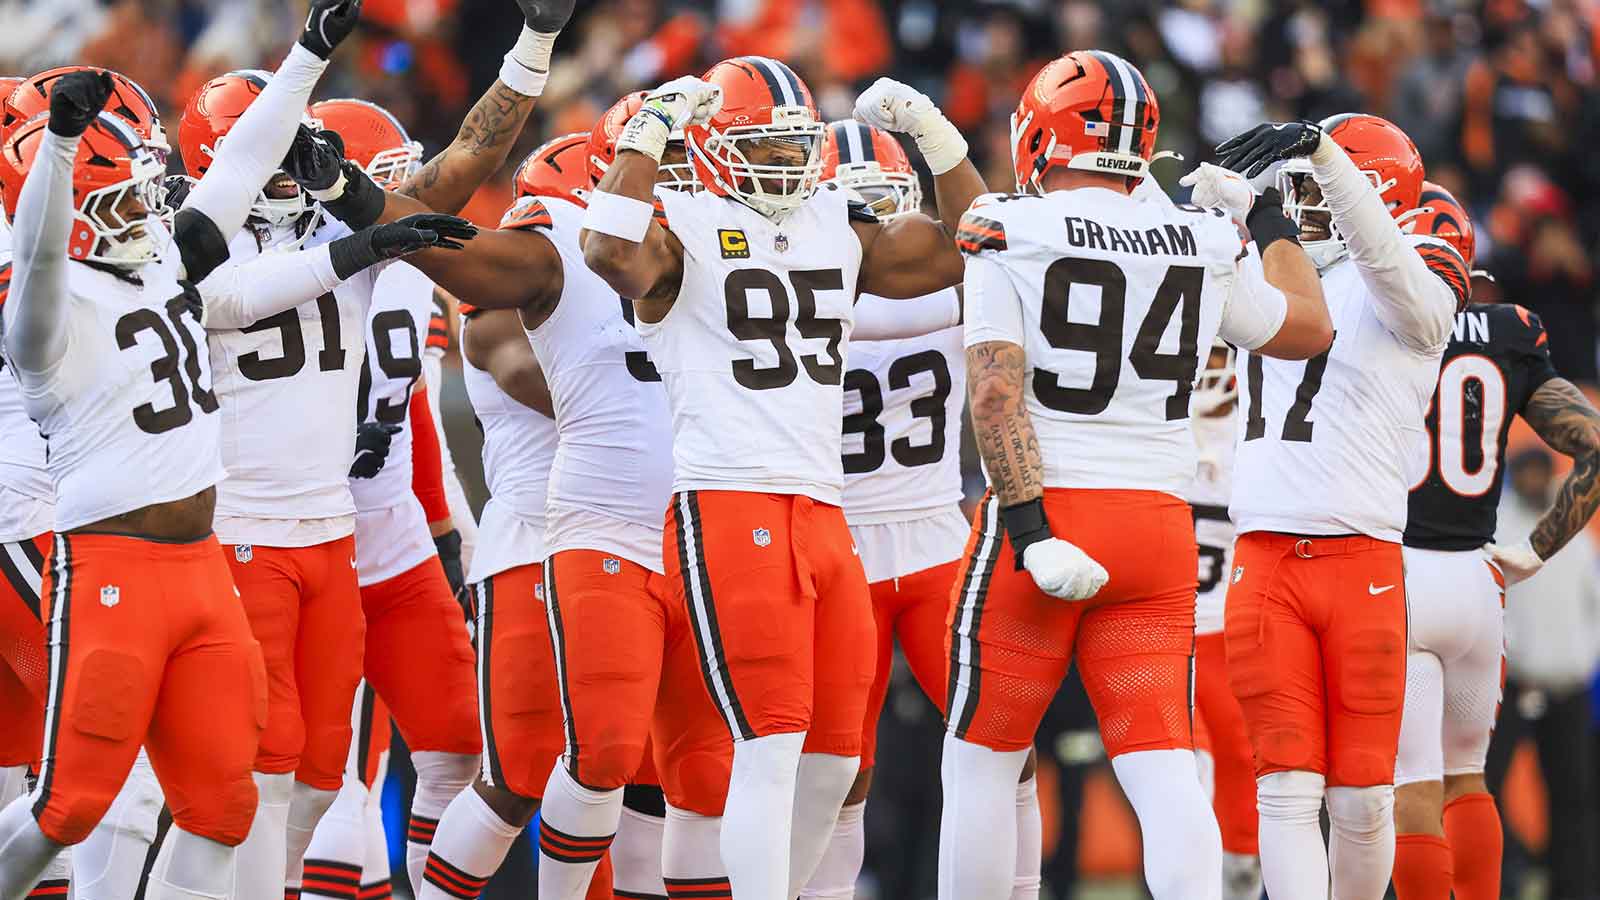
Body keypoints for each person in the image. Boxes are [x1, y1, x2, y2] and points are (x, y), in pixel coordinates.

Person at [185, 0, 576, 890]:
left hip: (372, 531)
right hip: (260, 525)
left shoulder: (368, 236)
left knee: (386, 760)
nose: (297, 178)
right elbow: (246, 293)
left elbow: (474, 158)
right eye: (383, 172)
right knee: (283, 768)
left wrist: (532, 45)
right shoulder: (205, 252)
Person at [579, 58, 988, 899]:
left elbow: (963, 248)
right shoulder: (678, 219)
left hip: (823, 509)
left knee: (836, 761)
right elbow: (608, 249)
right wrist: (653, 127)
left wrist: (938, 138)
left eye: (797, 147)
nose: (787, 165)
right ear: (717, 146)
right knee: (769, 747)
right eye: (764, 146)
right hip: (729, 500)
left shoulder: (833, 218)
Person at [945, 49, 1330, 900]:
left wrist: (1030, 530)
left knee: (980, 763)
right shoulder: (1201, 238)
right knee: (1163, 767)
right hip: (1160, 523)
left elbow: (997, 394)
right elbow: (1305, 330)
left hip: (1048, 510)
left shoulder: (1008, 224)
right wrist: (1264, 220)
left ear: (1045, 131)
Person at [0, 5, 365, 892]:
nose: (147, 205)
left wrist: (310, 51)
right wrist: (57, 145)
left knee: (220, 806)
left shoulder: (160, 256)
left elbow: (237, 166)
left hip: (198, 563)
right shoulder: (39, 306)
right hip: (106, 556)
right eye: (121, 194)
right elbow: (44, 252)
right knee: (75, 804)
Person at [1213, 113, 1462, 900]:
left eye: (1316, 186)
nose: (1299, 201)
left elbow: (1399, 282)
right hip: (1263, 556)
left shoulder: (1406, 288)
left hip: (1362, 559)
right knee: (1284, 790)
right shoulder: (1269, 274)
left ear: (1369, 193)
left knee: (1361, 796)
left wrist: (1327, 158)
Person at [803, 118, 1044, 900]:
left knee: (995, 743)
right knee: (844, 764)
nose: (877, 230)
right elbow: (987, 248)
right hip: (859, 548)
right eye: (858, 211)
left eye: (886, 209)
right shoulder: (955, 295)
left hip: (930, 537)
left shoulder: (795, 300)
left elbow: (984, 244)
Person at [1395, 181, 1600, 900]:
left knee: (1408, 787)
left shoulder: (1373, 324)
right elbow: (1595, 447)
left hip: (1399, 579)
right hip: (1479, 582)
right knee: (1468, 779)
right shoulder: (1512, 329)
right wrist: (1539, 549)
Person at [1485, 448, 1600, 900]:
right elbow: (1493, 606)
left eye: (1539, 474)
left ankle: (1573, 888)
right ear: (1516, 477)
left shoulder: (1575, 530)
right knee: (1487, 786)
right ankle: (1503, 881)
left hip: (1567, 687)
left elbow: (1592, 603)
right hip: (1514, 686)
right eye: (1525, 475)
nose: (1534, 482)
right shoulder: (1500, 527)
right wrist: (1517, 660)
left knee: (1571, 795)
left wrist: (1582, 660)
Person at [1185, 340, 1261, 900]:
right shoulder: (1159, 431)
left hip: (1232, 632)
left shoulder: (1254, 440)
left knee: (1239, 760)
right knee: (1189, 768)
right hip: (1169, 630)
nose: (1212, 371)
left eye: (1219, 356)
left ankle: (1238, 875)